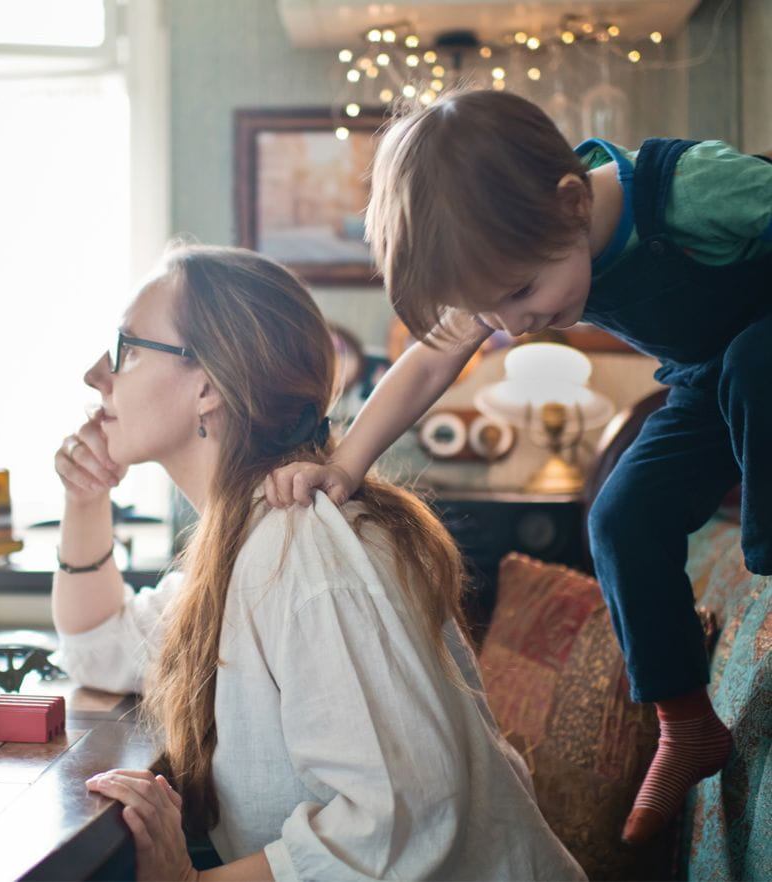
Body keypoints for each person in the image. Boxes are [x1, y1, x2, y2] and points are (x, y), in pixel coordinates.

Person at [266, 89, 772, 845]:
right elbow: (429, 361)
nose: (508, 327)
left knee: (750, 358)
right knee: (618, 518)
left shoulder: (690, 189)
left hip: (759, 355)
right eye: (489, 313)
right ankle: (686, 722)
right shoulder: (516, 247)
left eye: (518, 297)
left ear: (573, 204)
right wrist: (345, 464)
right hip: (708, 376)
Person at [52, 243, 585, 881]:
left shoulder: (300, 550)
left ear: (208, 387)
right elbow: (97, 650)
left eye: (128, 348)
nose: (95, 374)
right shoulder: (245, 539)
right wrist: (85, 499)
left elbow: (401, 815)